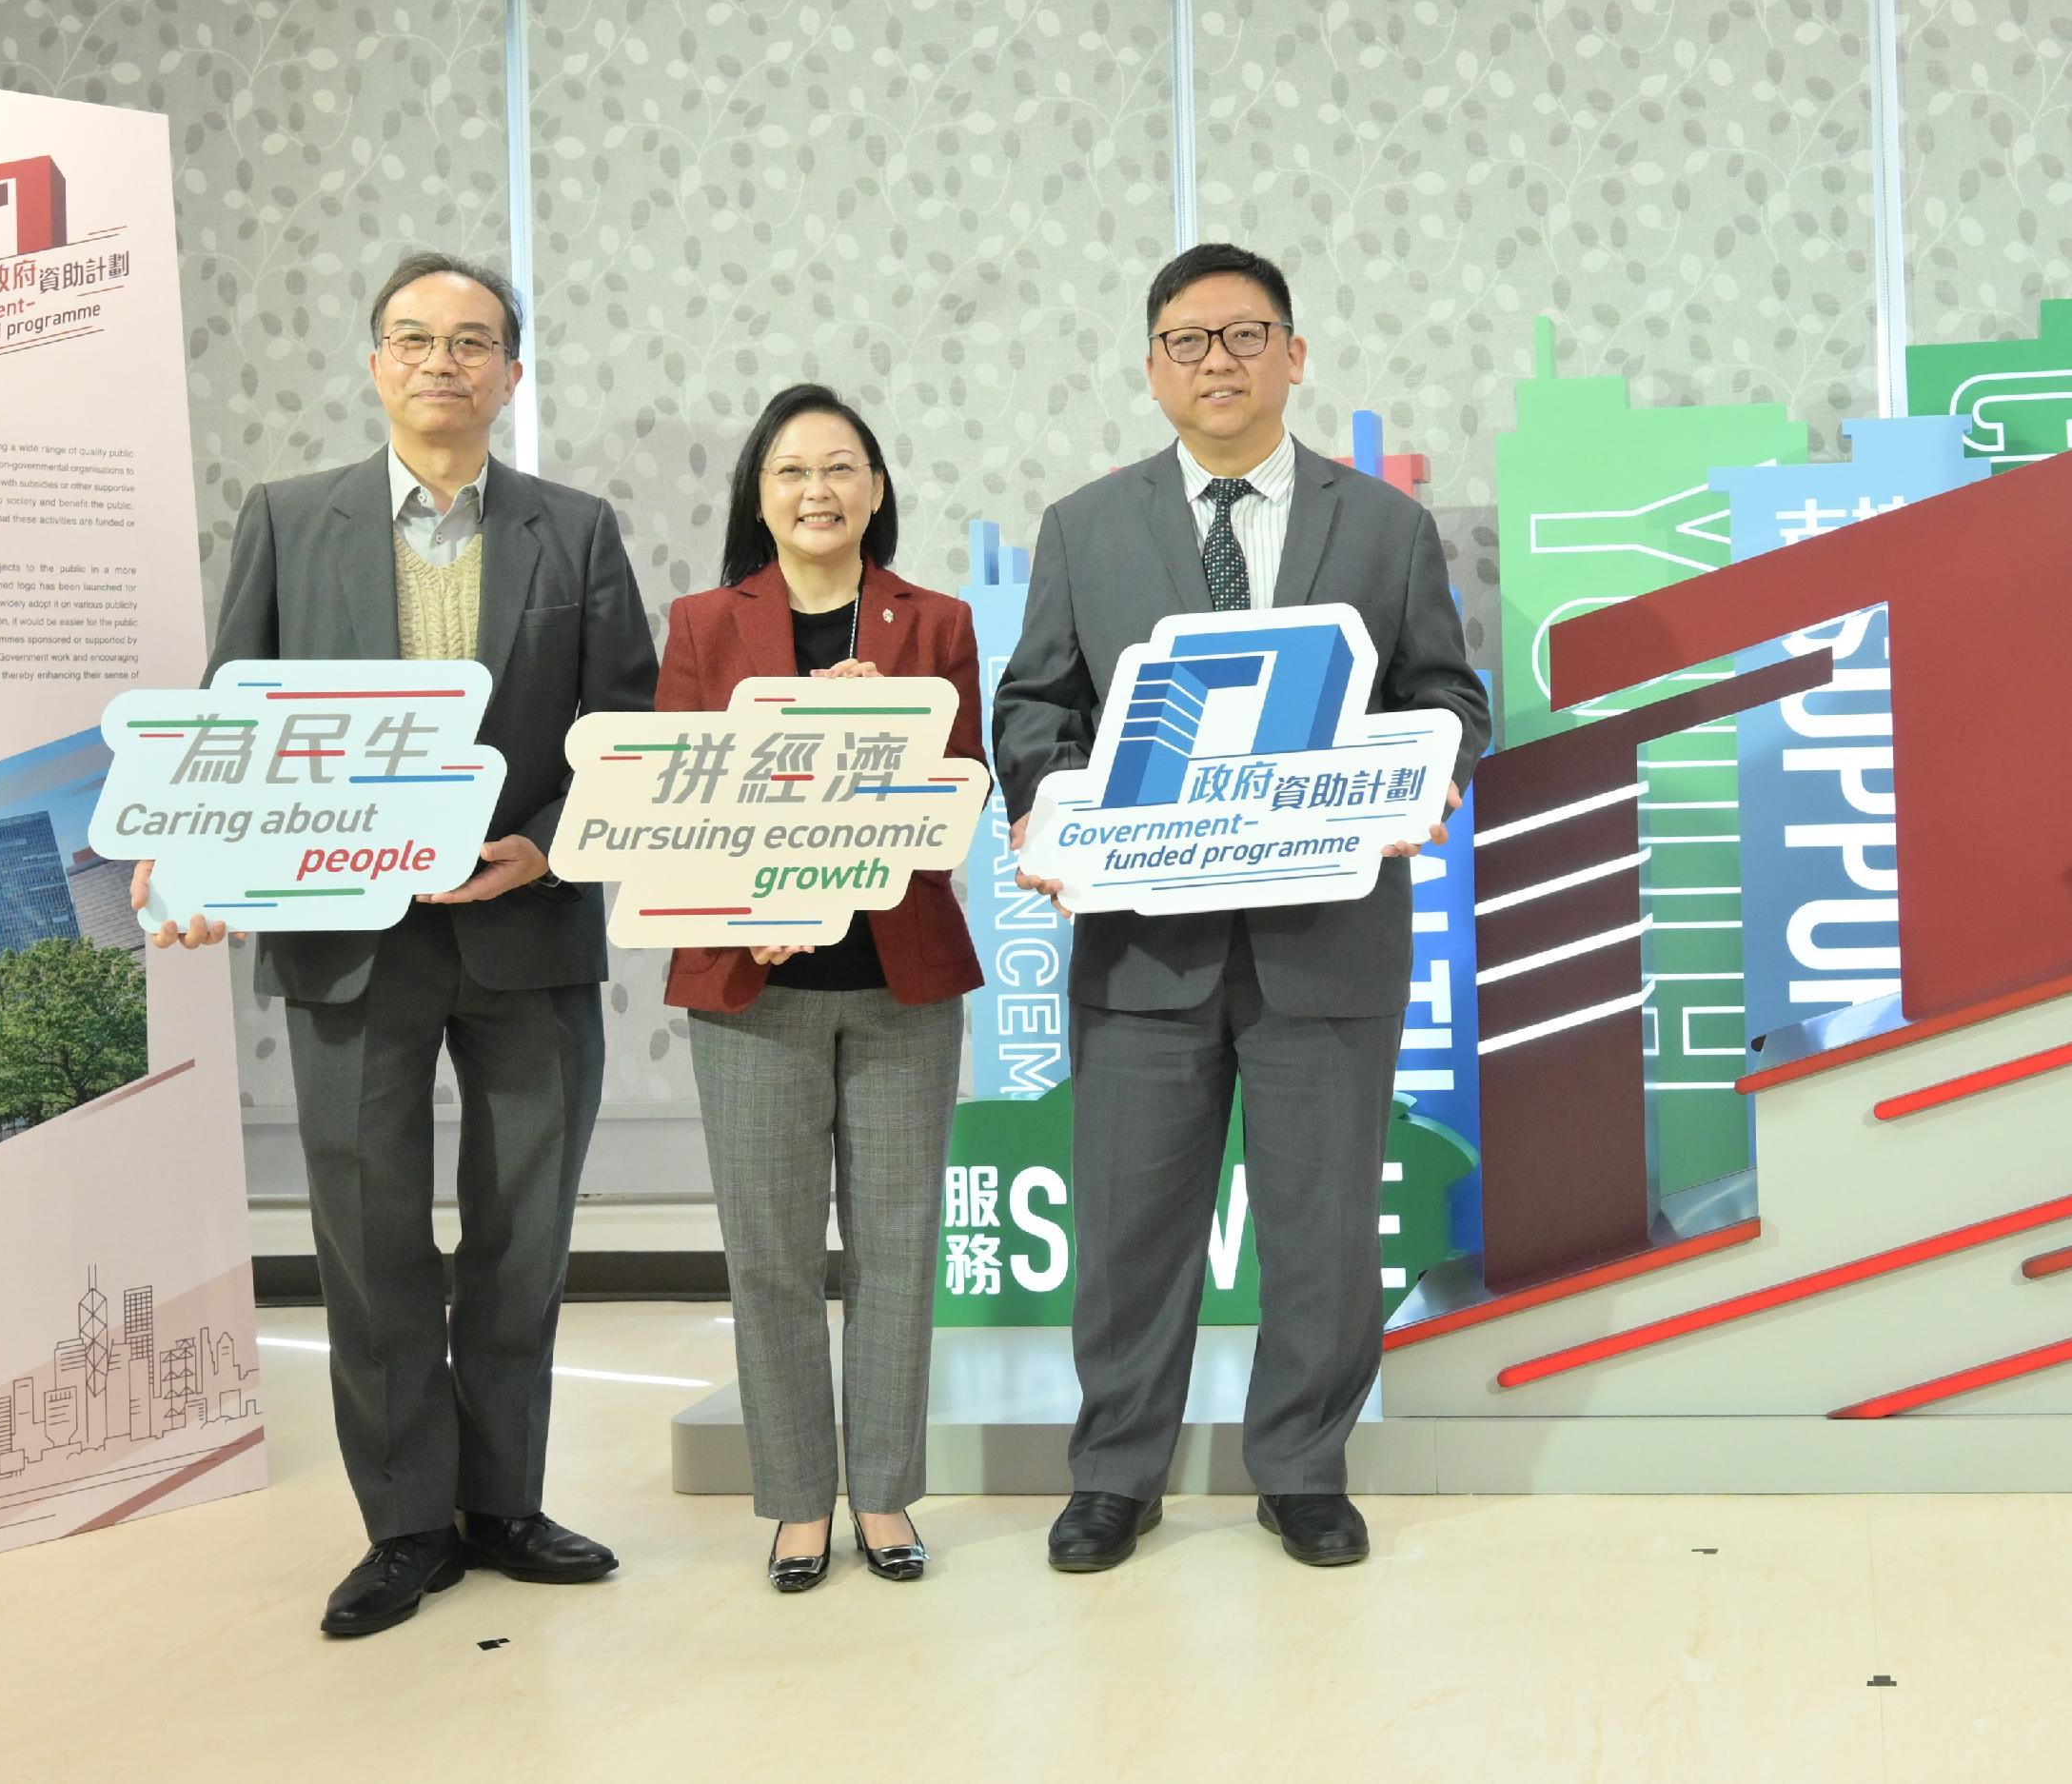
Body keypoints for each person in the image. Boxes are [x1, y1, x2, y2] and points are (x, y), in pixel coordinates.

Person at [146, 251, 657, 1638]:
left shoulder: (577, 530)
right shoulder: (289, 519)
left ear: (510, 373)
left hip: (526, 935)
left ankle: (505, 1505)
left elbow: (623, 724)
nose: (444, 362)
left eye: (473, 341)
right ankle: (408, 1528)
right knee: (369, 1244)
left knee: (521, 1236)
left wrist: (547, 840)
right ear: (376, 364)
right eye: (415, 339)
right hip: (345, 942)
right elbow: (233, 719)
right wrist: (196, 856)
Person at [994, 244, 1489, 1575]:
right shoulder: (1086, 528)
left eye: (1244, 335)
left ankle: (1303, 1469)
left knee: (1320, 1225)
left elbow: (1447, 694)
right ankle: (1115, 1477)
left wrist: (1426, 775)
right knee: (1130, 1228)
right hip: (1143, 945)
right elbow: (1037, 706)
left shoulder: (1380, 526)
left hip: (1326, 942)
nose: (1218, 361)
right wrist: (1045, 801)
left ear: (1295, 355)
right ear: (1153, 368)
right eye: (1188, 341)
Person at [659, 386, 984, 1592]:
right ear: (759, 493)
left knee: (900, 1244)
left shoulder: (934, 621)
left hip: (901, 979)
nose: (818, 490)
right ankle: (798, 1501)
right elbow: (677, 788)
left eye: (842, 467)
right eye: (792, 470)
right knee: (772, 1252)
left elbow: (957, 793)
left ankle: (886, 1495)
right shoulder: (703, 621)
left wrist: (878, 731)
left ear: (878, 487)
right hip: (753, 989)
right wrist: (761, 901)